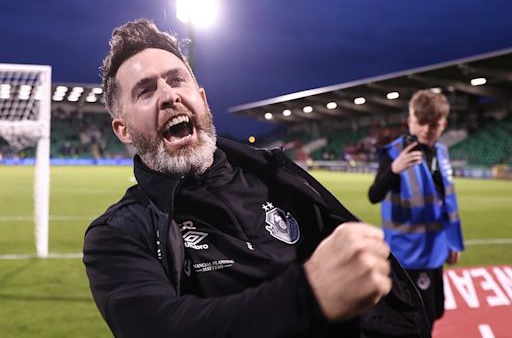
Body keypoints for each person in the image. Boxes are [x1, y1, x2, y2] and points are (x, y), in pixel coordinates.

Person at [83, 18, 431, 338]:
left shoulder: (280, 179)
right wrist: (308, 295)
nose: (169, 95)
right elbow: (161, 327)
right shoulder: (117, 235)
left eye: (177, 80)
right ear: (123, 130)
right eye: (145, 91)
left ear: (202, 100)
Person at [368, 89, 464, 331]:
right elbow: (374, 195)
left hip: (435, 249)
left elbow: (447, 200)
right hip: (407, 254)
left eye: (434, 125)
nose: (426, 131)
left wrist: (453, 242)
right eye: (421, 123)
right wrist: (393, 169)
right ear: (410, 119)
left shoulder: (442, 152)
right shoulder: (392, 153)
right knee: (416, 319)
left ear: (444, 124)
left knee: (435, 310)